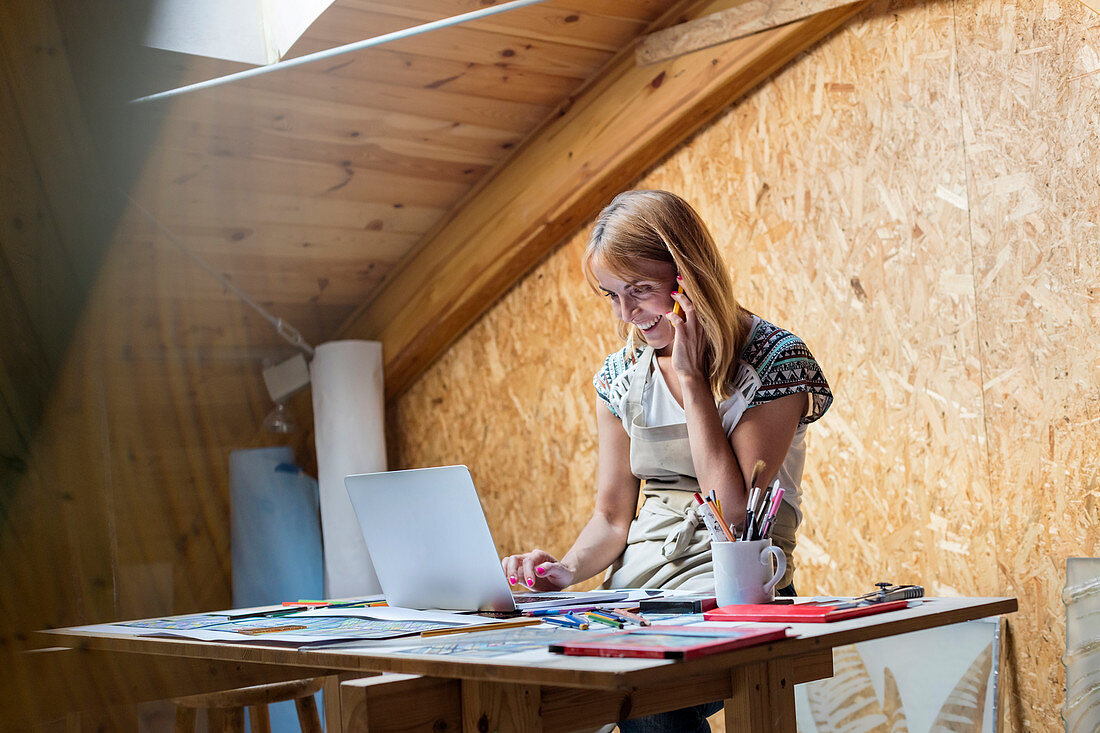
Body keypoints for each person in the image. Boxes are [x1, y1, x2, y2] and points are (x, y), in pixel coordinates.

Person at [501, 190, 832, 732]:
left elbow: (735, 518)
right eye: (611, 296)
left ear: (689, 277)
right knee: (537, 693)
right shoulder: (622, 374)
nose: (627, 315)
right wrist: (563, 571)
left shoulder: (774, 360)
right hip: (639, 590)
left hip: (734, 588)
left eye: (642, 291)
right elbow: (612, 519)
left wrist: (695, 381)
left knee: (650, 699)